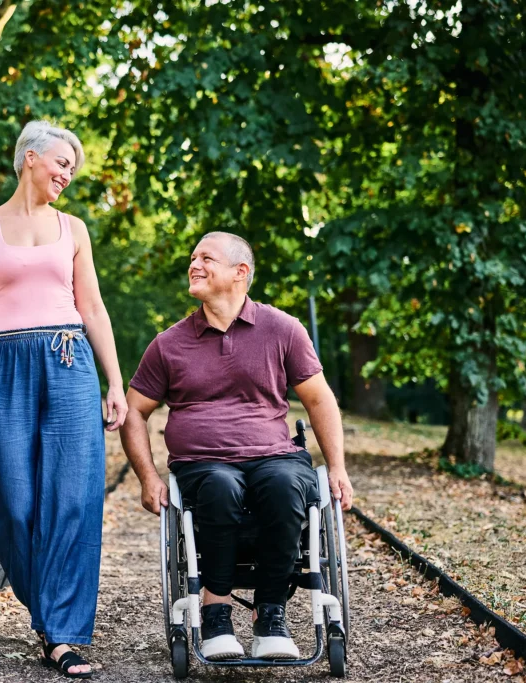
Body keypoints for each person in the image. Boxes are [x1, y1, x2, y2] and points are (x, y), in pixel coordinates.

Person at [119, 232, 353, 661]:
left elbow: (319, 399)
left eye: (206, 258)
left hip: (274, 455)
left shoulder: (282, 329)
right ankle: (216, 615)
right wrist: (148, 477)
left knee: (286, 485)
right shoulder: (169, 343)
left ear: (240, 272)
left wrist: (336, 466)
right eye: (193, 258)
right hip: (202, 463)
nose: (194, 265)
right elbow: (134, 411)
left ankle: (271, 615)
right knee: (220, 487)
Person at [0, 120, 128, 679]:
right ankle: (48, 609)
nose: (67, 173)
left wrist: (115, 381)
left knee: (73, 498)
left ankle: (61, 633)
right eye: (61, 162)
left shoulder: (73, 229)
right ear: (30, 157)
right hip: (1, 366)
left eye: (72, 168)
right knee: (14, 503)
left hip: (69, 361)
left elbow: (93, 307)